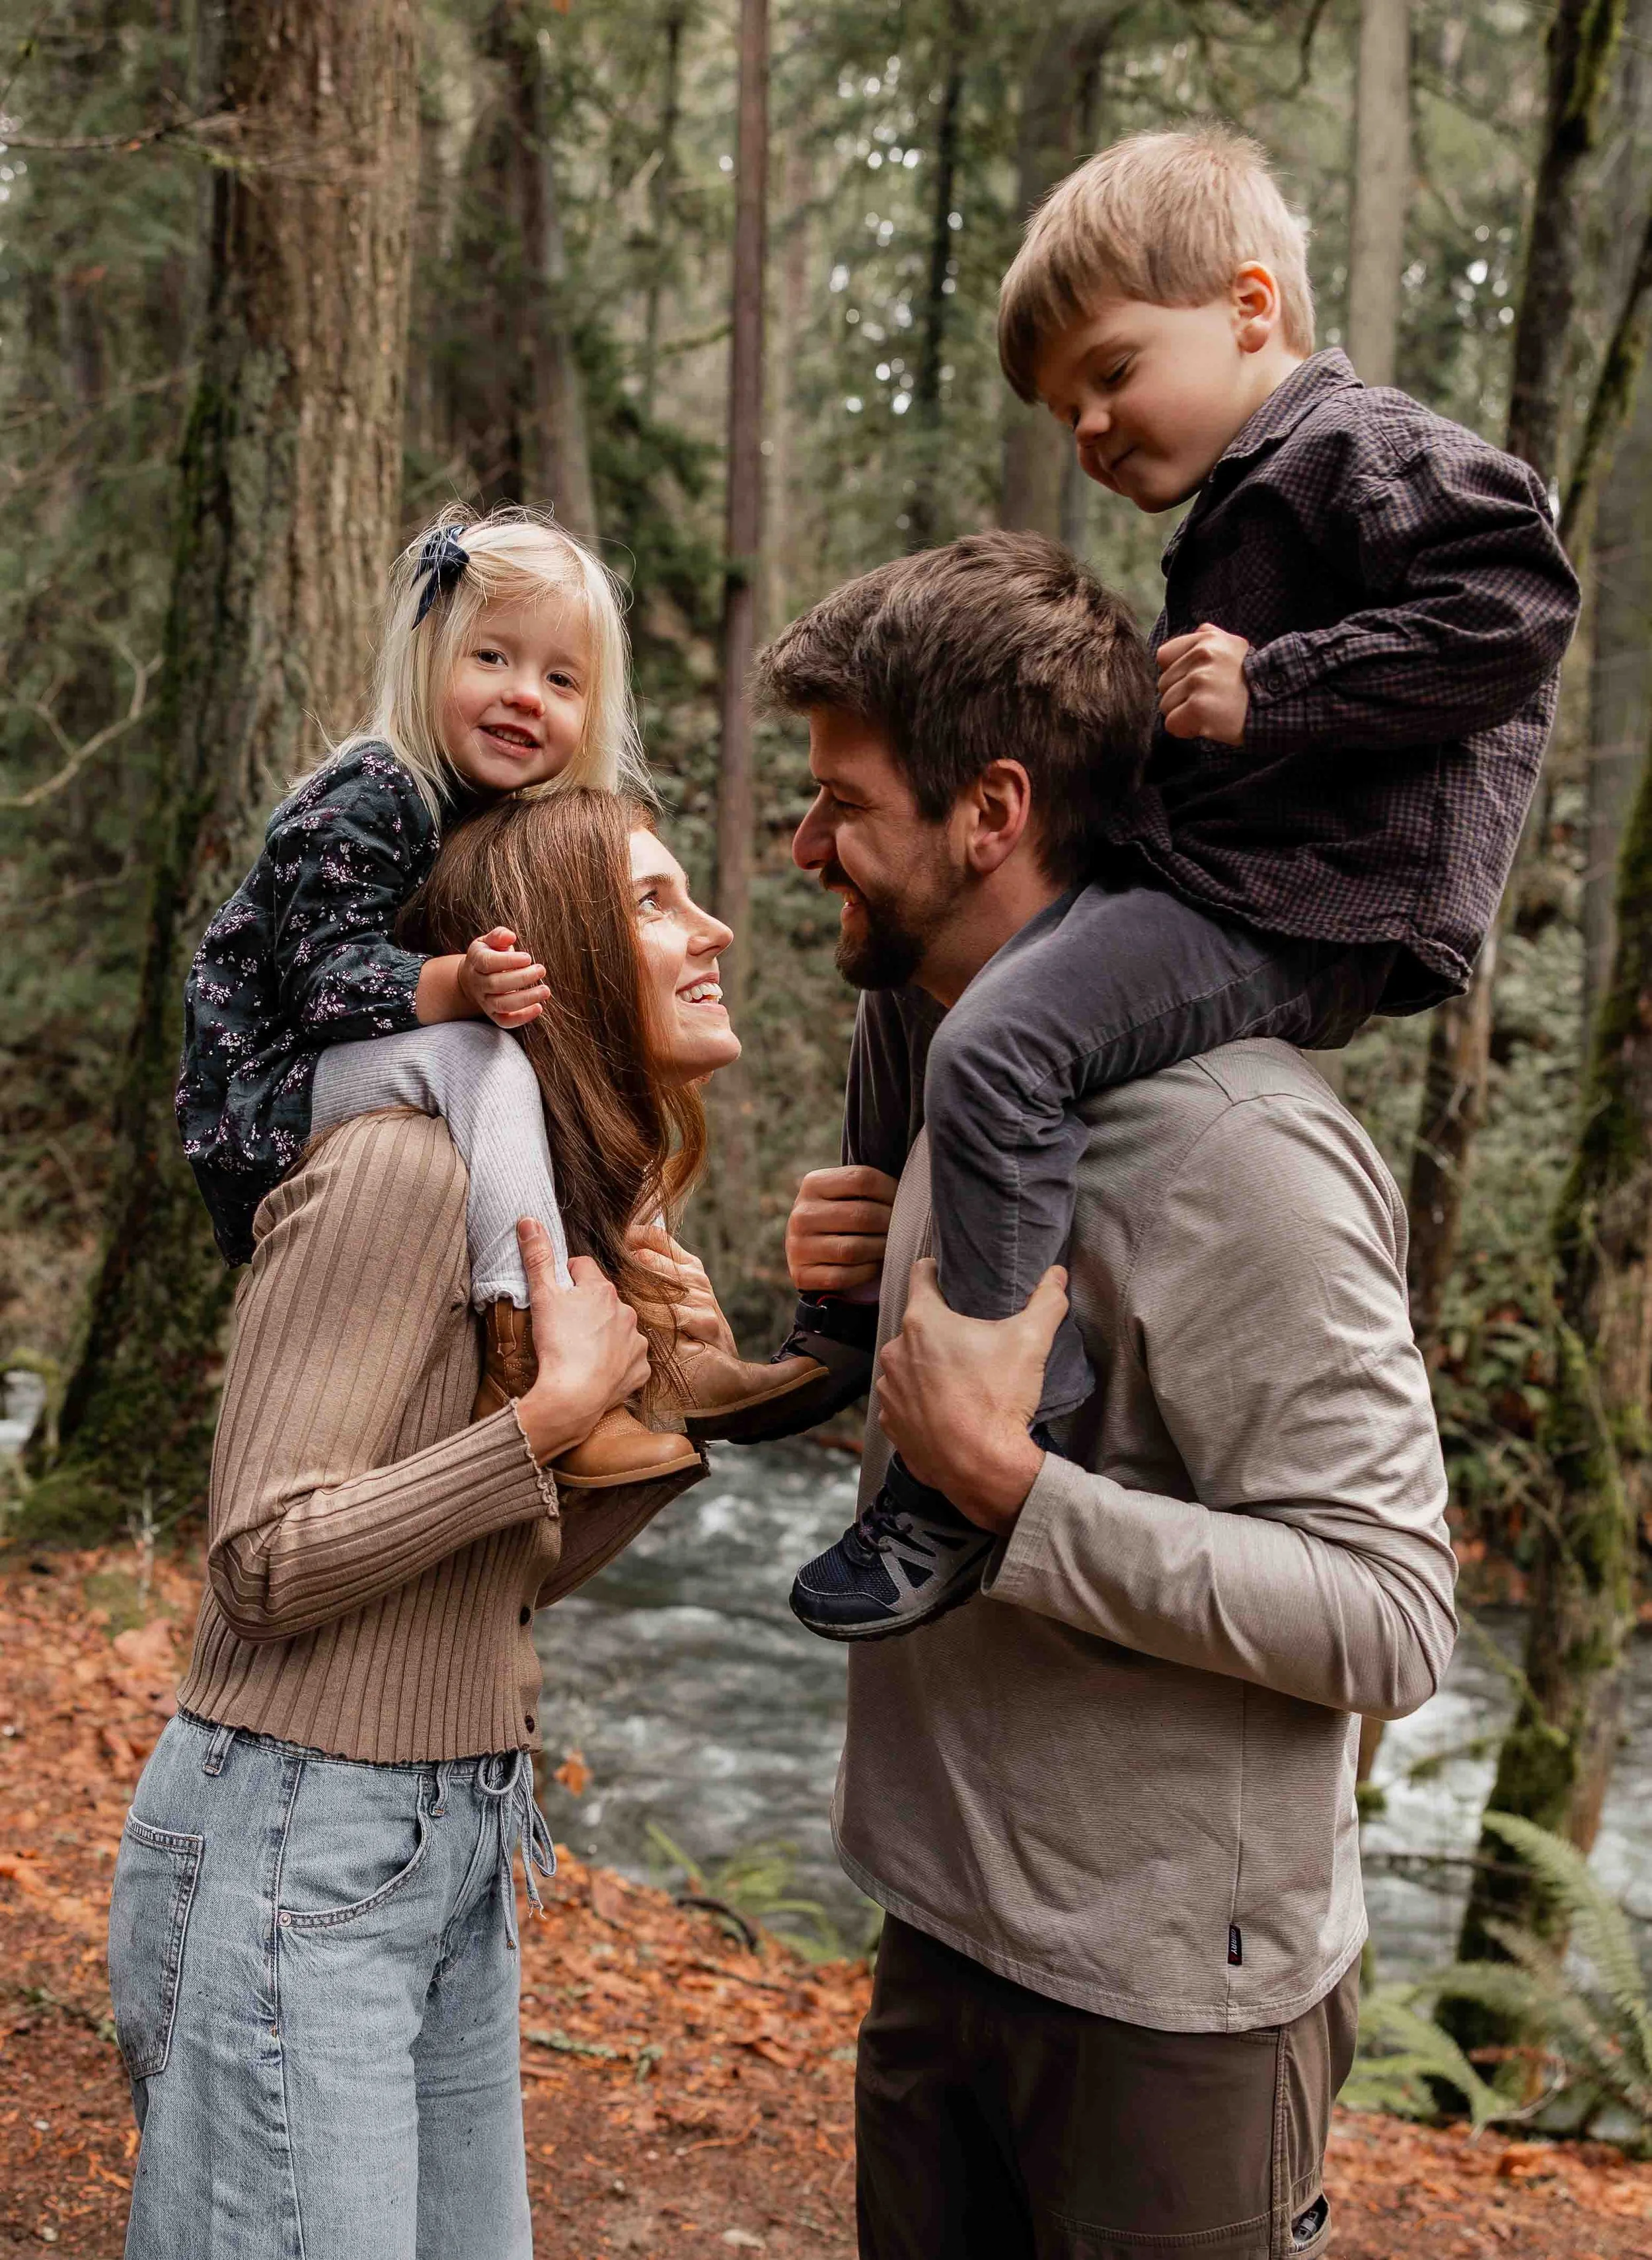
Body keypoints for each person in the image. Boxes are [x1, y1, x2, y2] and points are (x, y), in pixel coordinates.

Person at [771, 122, 1577, 1640]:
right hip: (1227, 862)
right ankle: (845, 1313)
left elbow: (1518, 603)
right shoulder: (1243, 485)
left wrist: (1283, 686)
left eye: (1109, 371)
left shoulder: (1361, 448)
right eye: (1062, 402)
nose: (1084, 423)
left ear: (1249, 309)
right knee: (920, 968)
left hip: (1320, 901)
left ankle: (988, 1427)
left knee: (1003, 1035)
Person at [770, 532, 1458, 2259]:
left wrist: (1017, 1498)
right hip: (944, 1929)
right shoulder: (949, 1061)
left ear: (989, 811)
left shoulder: (1244, 1153)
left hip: (1169, 2019)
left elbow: (1389, 1615)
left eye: (842, 802)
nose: (801, 846)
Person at [108, 790, 745, 2259]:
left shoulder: (541, 1222)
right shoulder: (401, 1171)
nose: (710, 933)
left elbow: (481, 1584)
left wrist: (651, 1425)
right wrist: (540, 1424)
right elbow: (263, 1563)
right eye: (655, 903)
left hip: (449, 1837)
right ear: (567, 952)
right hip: (294, 1839)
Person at [176, 504, 821, 1491]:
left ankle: (666, 1362)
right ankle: (525, 1359)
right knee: (482, 1057)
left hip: (350, 1058)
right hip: (272, 1087)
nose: (527, 696)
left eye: (561, 679)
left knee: (557, 1087)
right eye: (493, 659)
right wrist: (454, 982)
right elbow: (318, 983)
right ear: (429, 658)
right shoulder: (375, 791)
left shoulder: (493, 821)